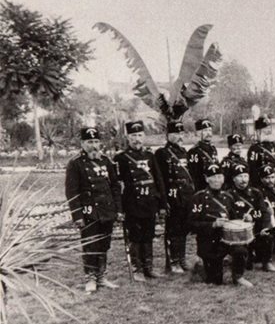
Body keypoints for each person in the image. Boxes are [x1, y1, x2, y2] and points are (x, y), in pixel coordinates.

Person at [65, 126, 123, 293]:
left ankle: (102, 276)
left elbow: (115, 187)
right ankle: (90, 278)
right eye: (90, 142)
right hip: (88, 212)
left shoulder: (106, 161)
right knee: (90, 245)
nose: (94, 146)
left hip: (106, 211)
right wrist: (77, 215)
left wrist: (118, 210)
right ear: (82, 143)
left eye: (96, 141)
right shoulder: (75, 163)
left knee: (104, 245)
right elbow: (72, 192)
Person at [114, 120, 167, 281]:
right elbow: (117, 184)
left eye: (139, 135)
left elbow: (159, 181)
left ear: (143, 136)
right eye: (133, 135)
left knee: (148, 235)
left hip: (149, 202)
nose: (137, 139)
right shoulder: (121, 158)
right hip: (132, 204)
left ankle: (148, 268)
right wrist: (120, 208)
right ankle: (137, 269)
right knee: (135, 236)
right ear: (128, 138)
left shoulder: (150, 156)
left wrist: (162, 204)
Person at [188, 163, 253, 287]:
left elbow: (235, 219)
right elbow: (191, 224)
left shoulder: (228, 197)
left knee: (241, 250)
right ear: (206, 179)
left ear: (223, 178)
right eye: (213, 177)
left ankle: (238, 276)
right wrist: (212, 224)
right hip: (209, 241)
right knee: (215, 281)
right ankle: (200, 265)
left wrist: (245, 219)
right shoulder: (198, 198)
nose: (217, 180)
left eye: (219, 176)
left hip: (227, 239)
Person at [154, 120, 195, 274]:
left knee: (183, 228)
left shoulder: (183, 152)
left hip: (185, 195)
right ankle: (172, 261)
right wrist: (163, 201)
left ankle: (181, 258)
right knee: (173, 230)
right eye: (175, 133)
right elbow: (160, 179)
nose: (179, 136)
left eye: (181, 133)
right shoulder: (162, 153)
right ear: (168, 135)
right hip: (172, 195)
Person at [228, 163, 275, 273]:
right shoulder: (229, 195)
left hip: (256, 230)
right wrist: (242, 219)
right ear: (233, 179)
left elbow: (264, 212)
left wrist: (264, 227)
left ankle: (267, 263)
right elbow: (229, 216)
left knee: (268, 235)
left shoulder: (256, 193)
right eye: (240, 176)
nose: (243, 180)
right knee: (247, 265)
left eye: (245, 176)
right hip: (240, 233)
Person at [187, 118, 218, 191]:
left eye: (210, 130)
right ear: (198, 133)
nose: (209, 133)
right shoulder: (194, 151)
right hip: (202, 188)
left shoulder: (213, 149)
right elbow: (194, 176)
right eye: (205, 131)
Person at [247, 116, 275, 188]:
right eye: (265, 129)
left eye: (268, 128)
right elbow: (252, 169)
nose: (268, 131)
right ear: (258, 131)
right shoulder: (254, 148)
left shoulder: (272, 145)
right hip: (262, 182)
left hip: (274, 180)